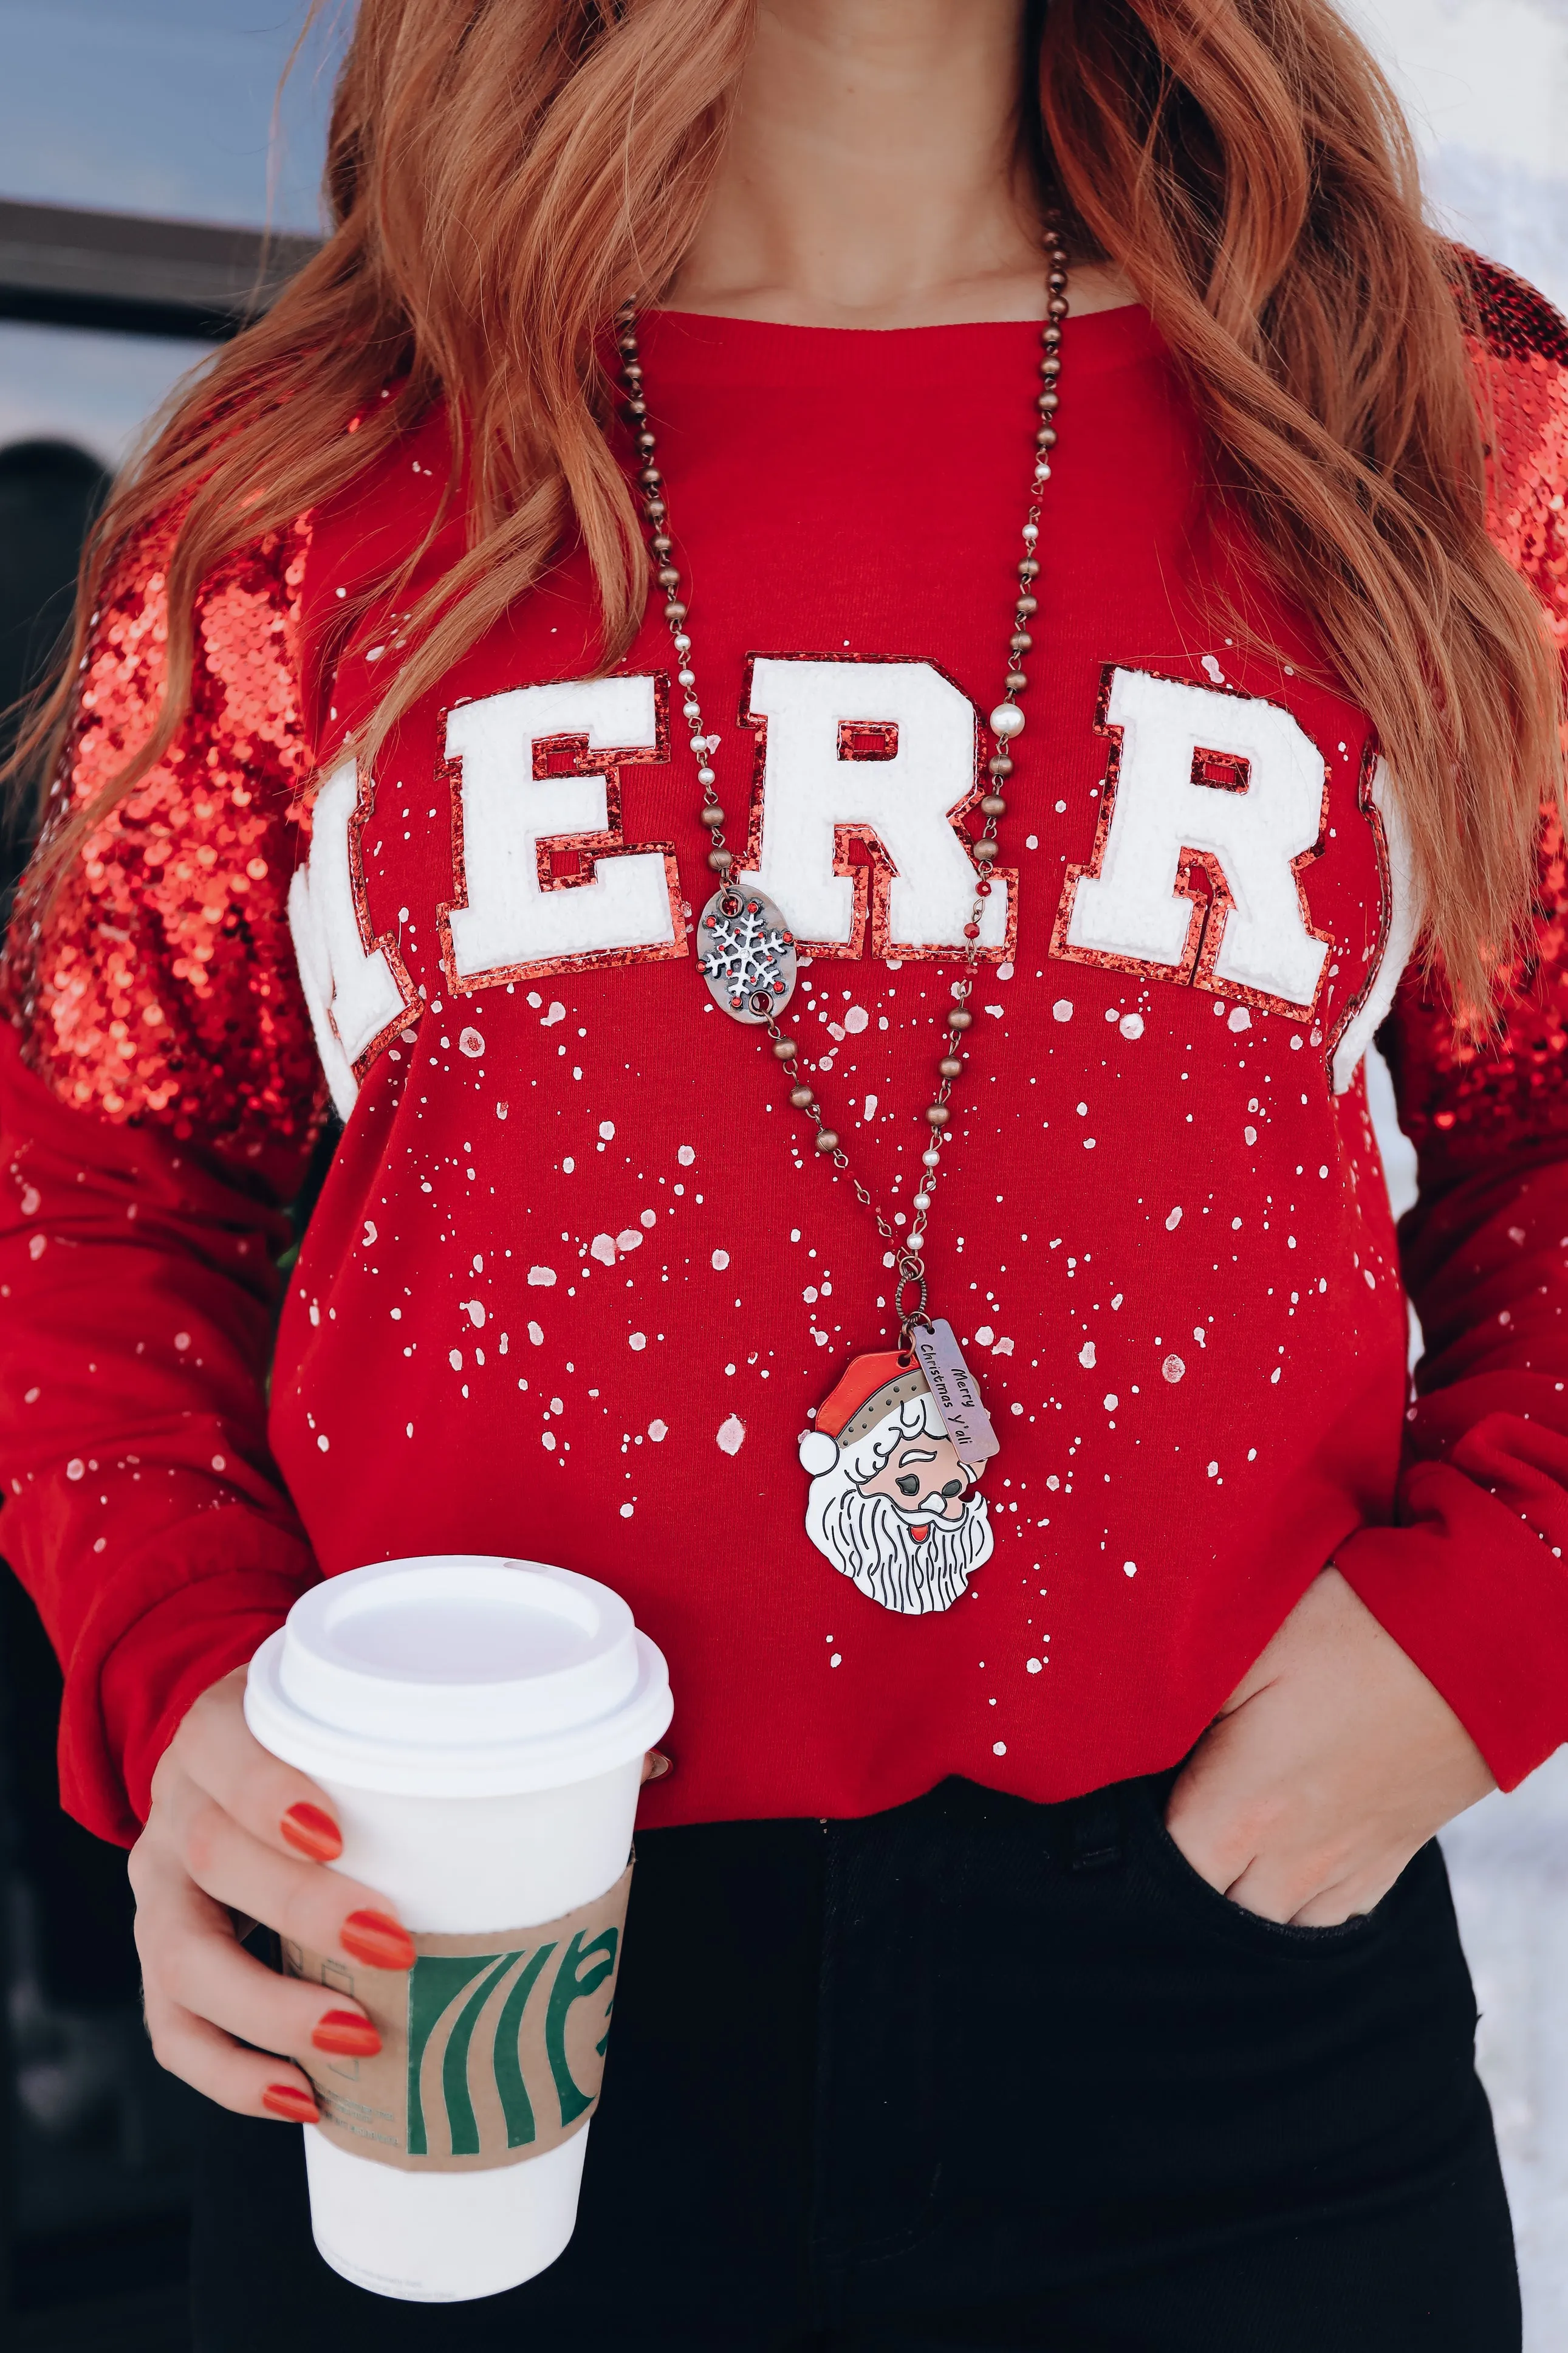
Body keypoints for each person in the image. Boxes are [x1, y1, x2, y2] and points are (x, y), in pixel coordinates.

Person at [2, 1, 1566, 2344]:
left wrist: (1479, 1634)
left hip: (1219, 2015)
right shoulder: (321, 467)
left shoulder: (1421, 417)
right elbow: (108, 1178)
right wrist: (193, 1680)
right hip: (453, 1984)